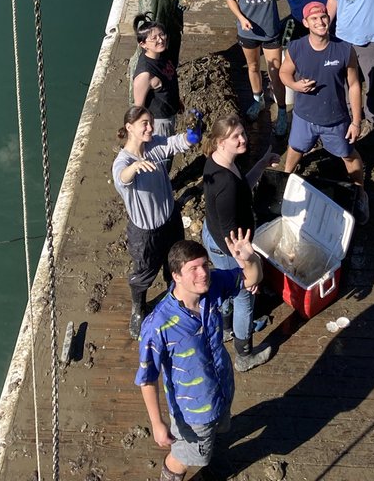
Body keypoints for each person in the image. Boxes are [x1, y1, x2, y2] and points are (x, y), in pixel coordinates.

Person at [136, 234, 266, 481]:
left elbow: (253, 277)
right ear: (175, 277)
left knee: (217, 435)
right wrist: (157, 423)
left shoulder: (213, 286)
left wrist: (250, 260)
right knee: (183, 456)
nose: (203, 273)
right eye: (192, 269)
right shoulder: (158, 325)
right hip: (193, 410)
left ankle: (212, 464)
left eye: (204, 265)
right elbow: (146, 378)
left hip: (222, 388)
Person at [112, 105, 199, 339]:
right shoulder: (122, 162)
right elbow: (122, 178)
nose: (151, 127)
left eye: (151, 122)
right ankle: (138, 308)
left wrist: (193, 135)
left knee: (176, 264)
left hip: (170, 221)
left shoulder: (154, 145)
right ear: (130, 127)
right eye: (145, 124)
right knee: (143, 274)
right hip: (145, 233)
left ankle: (175, 298)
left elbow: (175, 143)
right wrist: (134, 167)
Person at [279, 1, 369, 224]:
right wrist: (295, 86)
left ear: (329, 19)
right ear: (306, 23)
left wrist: (356, 121)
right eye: (314, 18)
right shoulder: (297, 48)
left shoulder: (344, 49)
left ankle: (360, 193)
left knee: (348, 154)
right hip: (303, 117)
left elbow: (355, 85)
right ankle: (285, 179)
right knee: (295, 148)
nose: (320, 22)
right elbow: (284, 73)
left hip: (336, 119)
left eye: (323, 17)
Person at [201, 115, 280, 363]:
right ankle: (244, 355)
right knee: (245, 297)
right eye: (235, 136)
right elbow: (230, 236)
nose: (243, 139)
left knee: (226, 287)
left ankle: (226, 328)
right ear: (220, 142)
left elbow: (244, 185)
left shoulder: (220, 162)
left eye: (243, 133)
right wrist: (249, 269)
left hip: (214, 236)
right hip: (228, 248)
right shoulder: (225, 185)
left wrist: (263, 162)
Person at [226, 0, 289, 132]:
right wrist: (241, 18)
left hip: (271, 32)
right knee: (253, 67)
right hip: (248, 32)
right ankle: (258, 100)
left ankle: (282, 112)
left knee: (276, 73)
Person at [132, 19, 181, 140]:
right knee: (163, 156)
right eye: (154, 38)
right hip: (159, 123)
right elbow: (138, 108)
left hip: (171, 113)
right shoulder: (145, 74)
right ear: (143, 44)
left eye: (162, 34)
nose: (160, 40)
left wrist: (177, 101)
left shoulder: (161, 55)